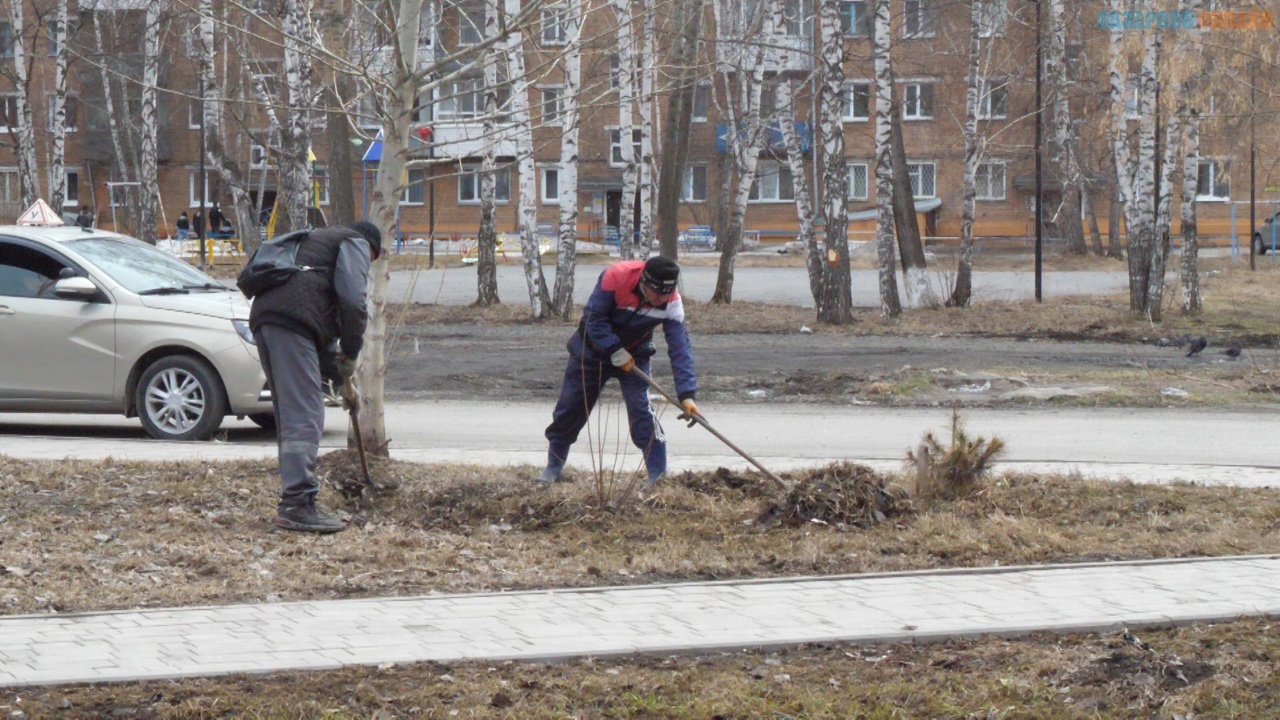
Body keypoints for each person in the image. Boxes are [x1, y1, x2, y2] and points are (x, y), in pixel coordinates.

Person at [249, 221, 382, 533]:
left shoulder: (317, 247)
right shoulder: (355, 241)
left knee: (290, 413)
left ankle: (295, 499)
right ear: (371, 246)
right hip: (293, 320)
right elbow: (352, 301)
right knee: (305, 413)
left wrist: (341, 374)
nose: (367, 263)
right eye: (371, 258)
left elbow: (322, 337)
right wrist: (351, 352)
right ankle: (298, 503)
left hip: (269, 317)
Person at [540, 255, 700, 488]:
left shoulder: (672, 303)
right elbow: (593, 319)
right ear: (644, 284)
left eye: (667, 294)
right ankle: (553, 468)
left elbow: (680, 349)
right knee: (570, 408)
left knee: (641, 410)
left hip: (635, 356)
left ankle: (658, 476)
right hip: (591, 351)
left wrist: (687, 394)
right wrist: (614, 349)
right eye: (657, 294)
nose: (662, 300)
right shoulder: (616, 277)